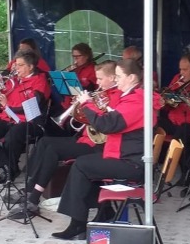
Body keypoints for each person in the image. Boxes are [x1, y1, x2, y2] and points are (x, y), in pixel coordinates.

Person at [52, 59, 163, 240]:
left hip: (131, 163)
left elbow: (109, 124)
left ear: (132, 77)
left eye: (119, 76)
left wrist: (87, 104)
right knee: (87, 165)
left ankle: (78, 224)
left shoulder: (137, 100)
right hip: (127, 156)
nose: (116, 80)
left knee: (81, 166)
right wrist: (95, 107)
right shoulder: (133, 96)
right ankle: (103, 212)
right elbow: (115, 118)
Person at [5, 60, 121, 209]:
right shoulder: (103, 93)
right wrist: (78, 107)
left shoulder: (116, 96)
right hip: (85, 138)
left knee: (53, 149)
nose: (97, 82)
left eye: (100, 79)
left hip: (98, 145)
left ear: (112, 78)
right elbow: (87, 119)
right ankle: (29, 188)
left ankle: (34, 197)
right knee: (45, 142)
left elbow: (105, 120)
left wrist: (87, 105)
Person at [0, 50, 51, 184]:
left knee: (12, 136)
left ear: (31, 67)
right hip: (8, 119)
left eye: (20, 65)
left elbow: (32, 105)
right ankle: (7, 167)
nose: (16, 68)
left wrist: (8, 105)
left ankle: (10, 169)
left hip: (31, 121)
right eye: (16, 65)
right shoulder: (13, 80)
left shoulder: (40, 81)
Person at [59, 43, 97, 110]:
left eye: (78, 56)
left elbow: (94, 90)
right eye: (74, 56)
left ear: (86, 56)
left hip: (81, 106)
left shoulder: (93, 70)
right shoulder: (74, 68)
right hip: (68, 104)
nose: (75, 59)